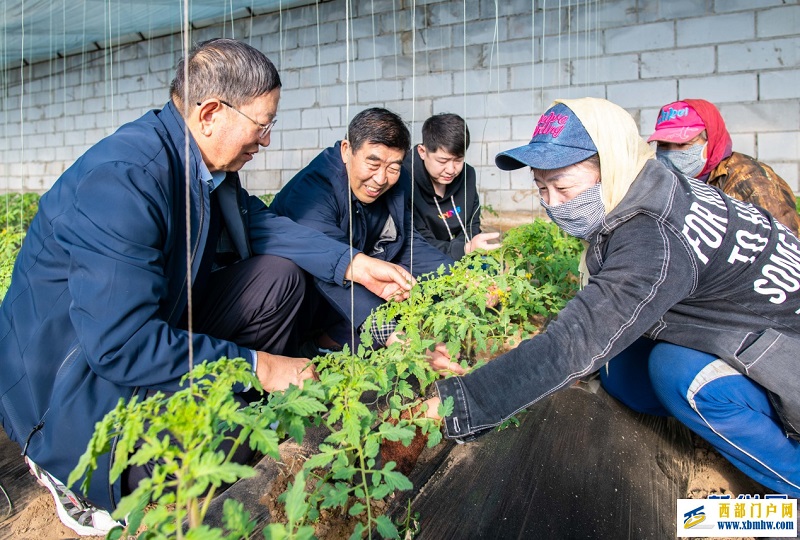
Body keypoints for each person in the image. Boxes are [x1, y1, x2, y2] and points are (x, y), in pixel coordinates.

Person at [0, 39, 415, 536]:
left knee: (277, 279)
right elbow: (121, 343)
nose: (266, 141)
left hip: (142, 330)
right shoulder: (124, 180)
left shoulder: (203, 164)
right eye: (262, 125)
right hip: (65, 388)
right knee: (162, 483)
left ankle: (228, 413)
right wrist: (260, 366)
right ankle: (65, 470)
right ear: (211, 113)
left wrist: (353, 264)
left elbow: (259, 225)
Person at [418, 97, 800, 498]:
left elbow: (576, 340)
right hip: (744, 333)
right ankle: (708, 426)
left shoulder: (652, 234)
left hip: (784, 357)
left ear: (611, 165)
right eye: (541, 188)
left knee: (679, 372)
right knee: (621, 369)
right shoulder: (652, 187)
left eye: (563, 187)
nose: (552, 204)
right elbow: (599, 313)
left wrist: (461, 403)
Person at [269, 108, 454, 354]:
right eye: (373, 162)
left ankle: (337, 338)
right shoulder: (312, 193)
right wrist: (391, 334)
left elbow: (408, 243)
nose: (380, 179)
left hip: (349, 289)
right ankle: (312, 347)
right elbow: (332, 268)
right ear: (347, 150)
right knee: (376, 338)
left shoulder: (397, 183)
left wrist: (464, 280)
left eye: (393, 167)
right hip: (300, 302)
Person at [649, 99, 800, 236]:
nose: (671, 153)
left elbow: (785, 243)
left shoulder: (750, 181)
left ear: (711, 138)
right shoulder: (671, 182)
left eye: (683, 144)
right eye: (663, 145)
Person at [403, 113, 500, 259]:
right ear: (422, 152)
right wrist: (463, 249)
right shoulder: (405, 179)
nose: (451, 170)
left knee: (491, 266)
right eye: (442, 161)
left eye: (458, 160)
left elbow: (472, 224)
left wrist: (465, 249)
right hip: (423, 257)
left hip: (463, 251)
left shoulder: (468, 175)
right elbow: (417, 239)